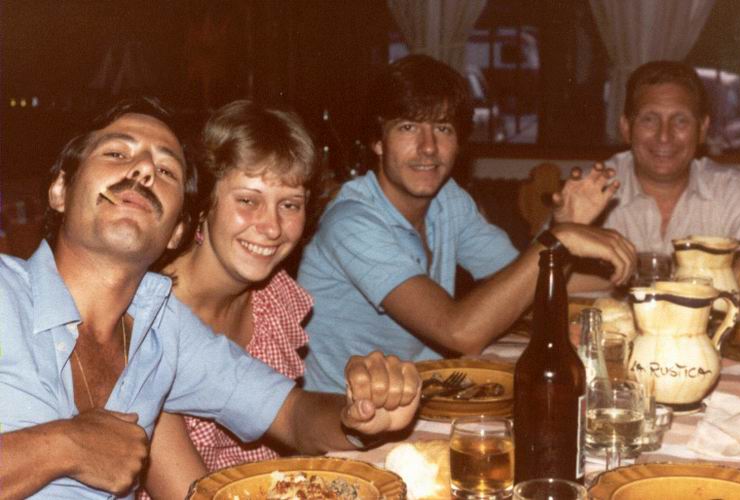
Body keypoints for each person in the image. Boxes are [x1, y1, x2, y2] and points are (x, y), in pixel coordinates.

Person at [0, 97, 420, 499]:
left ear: (177, 232)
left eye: (166, 170)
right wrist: (64, 446)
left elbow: (290, 413)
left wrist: (359, 416)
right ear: (60, 191)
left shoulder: (163, 327)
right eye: (116, 154)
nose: (143, 169)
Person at [297, 54, 637, 394]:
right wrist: (560, 238)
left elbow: (522, 286)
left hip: (422, 395)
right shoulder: (351, 223)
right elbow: (459, 332)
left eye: (443, 129)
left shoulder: (448, 200)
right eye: (408, 127)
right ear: (377, 141)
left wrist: (630, 279)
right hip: (345, 413)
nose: (428, 148)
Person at [135, 101, 320, 498]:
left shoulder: (274, 298)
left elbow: (295, 422)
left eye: (289, 204)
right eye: (248, 200)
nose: (272, 227)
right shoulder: (146, 317)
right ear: (205, 203)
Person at [588, 60, 740, 318]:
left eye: (680, 121)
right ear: (626, 128)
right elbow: (543, 275)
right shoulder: (594, 187)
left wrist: (619, 278)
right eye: (649, 120)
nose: (664, 136)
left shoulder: (729, 188)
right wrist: (713, 278)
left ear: (702, 129)